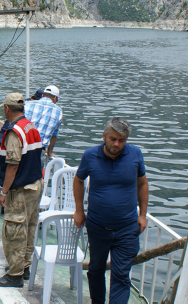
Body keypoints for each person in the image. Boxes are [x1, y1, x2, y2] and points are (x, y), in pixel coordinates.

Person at [74, 117, 148, 304]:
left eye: (121, 140)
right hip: (98, 226)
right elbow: (78, 180)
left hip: (127, 228)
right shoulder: (90, 155)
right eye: (113, 139)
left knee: (121, 275)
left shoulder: (135, 154)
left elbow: (142, 183)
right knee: (96, 269)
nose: (116, 144)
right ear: (104, 136)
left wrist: (142, 215)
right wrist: (79, 210)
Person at [0, 93, 43, 288]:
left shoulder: (14, 131)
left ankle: (15, 275)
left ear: (6, 109)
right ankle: (24, 267)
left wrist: (3, 192)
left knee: (14, 230)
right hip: (35, 184)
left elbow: (12, 165)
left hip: (21, 189)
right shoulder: (31, 126)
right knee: (29, 227)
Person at [23, 85, 63, 158]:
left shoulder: (27, 104)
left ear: (42, 95)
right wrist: (50, 152)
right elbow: (54, 135)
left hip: (21, 145)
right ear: (55, 98)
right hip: (38, 150)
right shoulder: (58, 111)